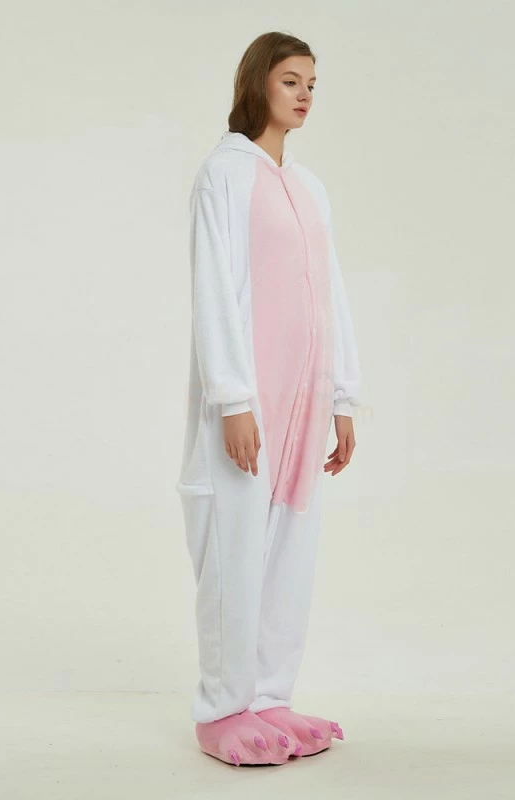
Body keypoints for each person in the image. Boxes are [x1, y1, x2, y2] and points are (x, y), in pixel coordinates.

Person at [175, 31, 361, 767]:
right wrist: (231, 398)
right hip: (250, 399)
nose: (305, 94)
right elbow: (213, 288)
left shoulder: (309, 187)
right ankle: (223, 710)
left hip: (304, 401)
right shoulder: (223, 174)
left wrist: (343, 397)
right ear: (257, 84)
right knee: (235, 546)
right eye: (291, 81)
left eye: (312, 83)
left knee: (290, 548)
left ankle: (270, 696)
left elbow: (331, 293)